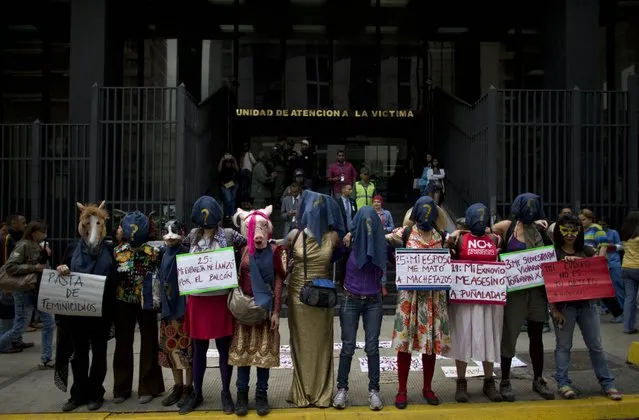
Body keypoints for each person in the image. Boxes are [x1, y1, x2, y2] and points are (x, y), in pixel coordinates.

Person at [181, 196, 247, 414]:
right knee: (198, 349)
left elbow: (249, 243)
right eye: (203, 223)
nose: (206, 226)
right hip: (198, 301)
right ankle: (197, 392)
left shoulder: (229, 235)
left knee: (223, 348)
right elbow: (177, 254)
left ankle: (226, 393)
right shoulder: (191, 236)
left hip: (220, 301)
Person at [386, 196, 450, 409]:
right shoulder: (403, 233)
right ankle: (402, 390)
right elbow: (383, 237)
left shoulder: (442, 236)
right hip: (409, 299)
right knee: (404, 345)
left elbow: (462, 238)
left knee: (429, 345)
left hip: (432, 299)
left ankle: (427, 387)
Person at [550, 215, 623, 400]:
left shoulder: (588, 251)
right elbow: (548, 282)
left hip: (588, 305)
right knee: (563, 346)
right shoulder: (553, 253)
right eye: (565, 229)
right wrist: (554, 309)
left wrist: (597, 260)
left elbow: (599, 272)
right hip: (564, 307)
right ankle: (563, 382)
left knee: (596, 346)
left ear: (580, 231)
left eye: (574, 229)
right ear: (559, 230)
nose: (570, 234)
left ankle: (607, 383)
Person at [283, 190, 345, 408]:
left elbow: (343, 251)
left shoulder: (333, 237)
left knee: (322, 343)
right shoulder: (294, 236)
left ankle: (321, 392)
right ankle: (301, 390)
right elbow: (280, 258)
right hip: (297, 296)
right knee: (300, 343)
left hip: (322, 296)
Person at [492, 193, 554, 402]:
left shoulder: (543, 229)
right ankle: (505, 380)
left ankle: (538, 379)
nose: (529, 211)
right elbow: (484, 231)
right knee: (509, 336)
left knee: (537, 336)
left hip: (537, 292)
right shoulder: (507, 227)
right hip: (515, 293)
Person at [55, 201, 116, 412]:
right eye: (87, 224)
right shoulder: (72, 248)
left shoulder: (110, 249)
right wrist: (61, 268)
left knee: (99, 353)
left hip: (101, 312)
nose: (91, 229)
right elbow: (62, 271)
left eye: (97, 224)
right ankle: (77, 394)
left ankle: (95, 393)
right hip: (77, 313)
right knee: (79, 354)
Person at [229, 206, 287, 416]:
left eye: (262, 227)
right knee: (243, 357)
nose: (258, 233)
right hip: (244, 311)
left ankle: (261, 394)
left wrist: (276, 312)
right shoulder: (242, 250)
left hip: (264, 311)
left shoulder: (275, 252)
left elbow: (279, 282)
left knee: (263, 357)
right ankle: (241, 395)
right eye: (253, 228)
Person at [445, 203, 503, 403]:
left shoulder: (495, 238)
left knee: (490, 338)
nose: (480, 220)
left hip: (489, 300)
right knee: (462, 337)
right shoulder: (459, 239)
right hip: (464, 300)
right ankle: (461, 381)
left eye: (483, 217)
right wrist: (456, 233)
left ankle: (489, 381)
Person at [334, 207, 387, 411]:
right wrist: (343, 237)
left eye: (370, 222)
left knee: (372, 347)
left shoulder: (382, 245)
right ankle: (342, 389)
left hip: (373, 300)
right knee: (347, 347)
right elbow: (331, 253)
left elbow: (402, 249)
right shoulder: (348, 244)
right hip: (350, 299)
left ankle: (374, 391)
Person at [112, 211, 164, 404]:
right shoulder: (117, 252)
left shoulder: (154, 252)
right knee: (122, 343)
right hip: (122, 301)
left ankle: (149, 387)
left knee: (149, 342)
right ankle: (121, 388)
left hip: (147, 302)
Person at [0, 220, 55, 367]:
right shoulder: (23, 245)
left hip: (36, 290)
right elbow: (11, 267)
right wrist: (33, 267)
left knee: (49, 323)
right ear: (33, 232)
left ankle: (46, 359)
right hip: (24, 291)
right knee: (19, 326)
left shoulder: (38, 245)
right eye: (41, 232)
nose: (44, 235)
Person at [157, 220, 193, 409]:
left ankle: (189, 387)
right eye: (167, 233)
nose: (170, 237)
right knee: (172, 350)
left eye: (174, 233)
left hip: (184, 308)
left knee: (187, 350)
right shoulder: (162, 253)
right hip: (167, 308)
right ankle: (178, 386)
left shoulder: (187, 252)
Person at [578, 209, 623, 322]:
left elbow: (604, 245)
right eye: (579, 220)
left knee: (602, 290)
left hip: (595, 262)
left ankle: (618, 313)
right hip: (584, 263)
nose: (581, 222)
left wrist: (600, 262)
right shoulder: (580, 230)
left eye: (583, 219)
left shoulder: (596, 228)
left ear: (590, 219)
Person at [0, 213, 31, 354]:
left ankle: (16, 340)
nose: (25, 225)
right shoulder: (8, 239)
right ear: (14, 224)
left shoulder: (19, 238)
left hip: (17, 281)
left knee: (17, 314)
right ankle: (4, 344)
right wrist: (6, 284)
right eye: (23, 223)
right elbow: (7, 262)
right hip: (9, 281)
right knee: (8, 313)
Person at [599, 216, 625, 311]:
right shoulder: (597, 234)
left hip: (613, 262)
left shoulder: (613, 233)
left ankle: (622, 308)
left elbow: (621, 246)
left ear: (608, 224)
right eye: (600, 224)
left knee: (617, 286)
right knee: (603, 287)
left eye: (603, 224)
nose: (601, 226)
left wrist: (610, 246)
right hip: (601, 263)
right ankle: (606, 308)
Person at [620, 211, 639, 334]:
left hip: (626, 267)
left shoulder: (625, 235)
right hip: (638, 267)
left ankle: (628, 327)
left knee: (629, 298)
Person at [218, 154, 239, 222]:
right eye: (227, 162)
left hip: (234, 184)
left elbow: (237, 169)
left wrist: (233, 160)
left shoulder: (233, 166)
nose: (228, 164)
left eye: (229, 162)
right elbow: (219, 169)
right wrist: (222, 159)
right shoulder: (223, 167)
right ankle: (227, 215)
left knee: (232, 200)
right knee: (228, 200)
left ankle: (231, 215)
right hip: (225, 185)